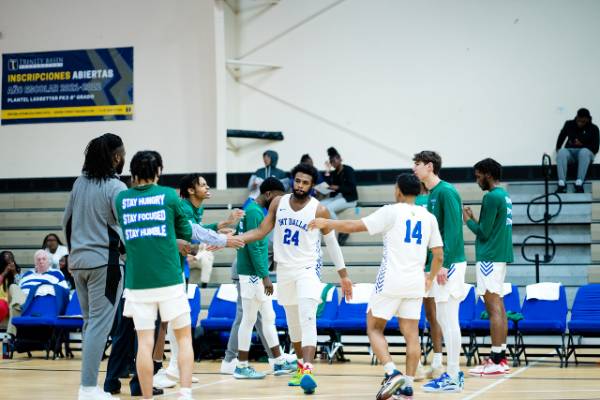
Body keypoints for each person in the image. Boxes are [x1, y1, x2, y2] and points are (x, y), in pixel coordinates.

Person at [309, 173, 444, 400]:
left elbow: (354, 225)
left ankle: (392, 372)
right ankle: (408, 386)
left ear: (399, 190)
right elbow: (439, 255)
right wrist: (429, 278)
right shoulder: (428, 217)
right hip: (415, 282)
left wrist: (327, 222)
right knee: (411, 335)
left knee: (373, 327)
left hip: (391, 279)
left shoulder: (391, 211)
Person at [238, 163, 353, 395]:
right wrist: (234, 238)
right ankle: (301, 368)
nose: (300, 186)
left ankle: (308, 370)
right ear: (293, 181)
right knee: (293, 323)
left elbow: (332, 244)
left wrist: (344, 276)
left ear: (312, 185)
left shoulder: (319, 209)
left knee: (307, 315)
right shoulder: (278, 203)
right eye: (297, 181)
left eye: (305, 182)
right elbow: (260, 231)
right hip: (285, 270)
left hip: (308, 269)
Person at [115, 150, 196, 400]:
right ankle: (185, 392)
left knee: (145, 342)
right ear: (159, 170)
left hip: (137, 282)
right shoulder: (169, 195)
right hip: (169, 278)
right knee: (183, 338)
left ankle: (147, 397)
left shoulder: (121, 199)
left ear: (133, 172)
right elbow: (185, 231)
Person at [63, 133, 127, 400]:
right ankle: (88, 389)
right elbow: (127, 228)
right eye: (122, 153)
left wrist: (74, 252)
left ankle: (88, 387)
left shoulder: (79, 183)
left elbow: (66, 221)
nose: (124, 157)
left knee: (91, 325)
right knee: (99, 327)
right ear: (115, 157)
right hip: (106, 263)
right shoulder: (116, 188)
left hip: (78, 262)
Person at [413, 150, 467, 393]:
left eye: (418, 164)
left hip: (450, 263)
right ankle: (453, 373)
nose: (414, 168)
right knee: (445, 319)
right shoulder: (433, 193)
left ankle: (453, 375)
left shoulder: (446, 191)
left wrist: (444, 263)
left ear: (430, 166)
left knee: (448, 319)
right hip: (441, 263)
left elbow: (454, 230)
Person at [233, 177, 296, 379]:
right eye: (278, 198)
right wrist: (265, 276)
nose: (279, 203)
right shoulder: (254, 212)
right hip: (252, 274)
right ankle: (241, 366)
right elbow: (254, 247)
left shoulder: (253, 210)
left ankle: (278, 362)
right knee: (249, 319)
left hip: (254, 273)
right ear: (268, 195)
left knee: (268, 317)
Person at [464, 158, 513, 376]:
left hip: (489, 257)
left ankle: (495, 360)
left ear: (488, 174)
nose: (477, 181)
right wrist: (477, 219)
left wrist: (468, 221)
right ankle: (500, 357)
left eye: (478, 176)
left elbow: (483, 232)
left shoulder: (491, 197)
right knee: (499, 306)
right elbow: (491, 227)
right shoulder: (504, 196)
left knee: (492, 307)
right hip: (499, 256)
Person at [178, 173, 244, 287]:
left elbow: (198, 228)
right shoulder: (184, 208)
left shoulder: (198, 208)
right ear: (191, 190)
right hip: (172, 259)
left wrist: (225, 224)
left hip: (181, 258)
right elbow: (195, 231)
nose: (207, 187)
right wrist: (223, 240)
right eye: (203, 185)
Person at [555, 108, 599, 193]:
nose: (580, 123)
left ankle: (579, 183)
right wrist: (558, 147)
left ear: (587, 119)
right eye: (578, 120)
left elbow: (595, 148)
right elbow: (562, 135)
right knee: (562, 152)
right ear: (577, 117)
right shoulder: (569, 124)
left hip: (586, 153)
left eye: (582, 121)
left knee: (584, 152)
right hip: (571, 152)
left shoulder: (594, 128)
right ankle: (561, 183)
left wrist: (582, 145)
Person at [322, 147, 358, 245]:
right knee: (320, 206)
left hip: (349, 199)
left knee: (328, 209)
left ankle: (343, 230)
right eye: (331, 162)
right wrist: (327, 171)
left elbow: (351, 187)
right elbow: (328, 183)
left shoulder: (348, 170)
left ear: (340, 159)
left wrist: (337, 187)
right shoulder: (334, 173)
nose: (333, 163)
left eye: (334, 161)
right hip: (337, 197)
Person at [0, 251, 21, 335]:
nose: (9, 261)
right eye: (6, 258)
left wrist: (14, 272)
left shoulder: (17, 272)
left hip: (11, 302)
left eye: (11, 258)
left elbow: (21, 284)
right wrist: (4, 272)